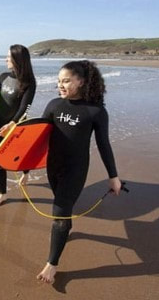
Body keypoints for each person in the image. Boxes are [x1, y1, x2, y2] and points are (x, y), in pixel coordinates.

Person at [37, 60, 122, 283]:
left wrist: (113, 176)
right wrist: (14, 133)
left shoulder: (95, 111)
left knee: (59, 214)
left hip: (75, 169)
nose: (60, 85)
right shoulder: (54, 105)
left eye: (66, 80)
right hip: (53, 167)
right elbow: (38, 135)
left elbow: (104, 144)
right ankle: (66, 227)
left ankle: (52, 265)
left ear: (81, 81)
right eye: (58, 81)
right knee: (62, 208)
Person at [0, 44, 36, 208]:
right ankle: (2, 194)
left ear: (17, 60)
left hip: (16, 124)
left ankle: (26, 172)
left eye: (8, 57)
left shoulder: (29, 83)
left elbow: (26, 107)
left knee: (20, 154)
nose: (6, 59)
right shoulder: (3, 77)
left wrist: (12, 124)